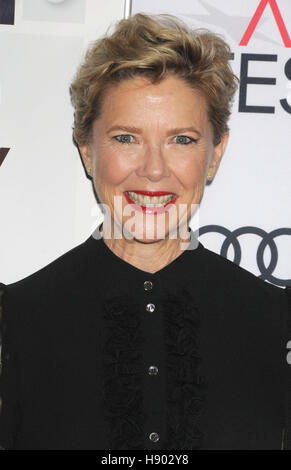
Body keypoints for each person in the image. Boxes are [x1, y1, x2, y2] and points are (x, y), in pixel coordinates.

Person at [0, 12, 290, 450]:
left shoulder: (277, 323)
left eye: (182, 140)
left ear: (215, 153)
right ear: (86, 149)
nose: (153, 170)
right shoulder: (17, 321)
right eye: (126, 138)